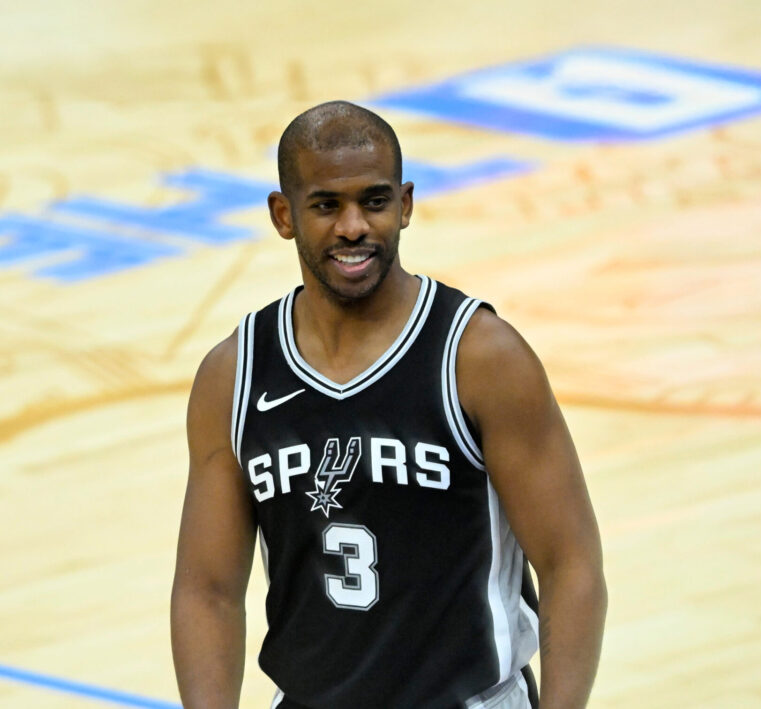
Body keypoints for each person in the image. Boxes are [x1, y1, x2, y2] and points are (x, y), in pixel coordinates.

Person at [171, 100, 606, 708]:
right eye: (327, 205)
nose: (353, 227)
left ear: (404, 205)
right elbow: (207, 591)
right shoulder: (235, 375)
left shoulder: (479, 358)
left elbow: (571, 564)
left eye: (373, 201)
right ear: (283, 215)